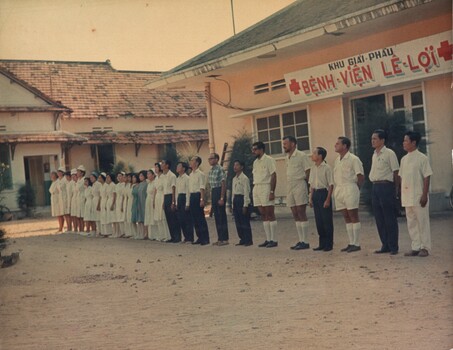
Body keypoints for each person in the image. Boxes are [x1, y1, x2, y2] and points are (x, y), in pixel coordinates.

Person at [399, 131, 433, 257]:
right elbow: (402, 178)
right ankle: (416, 246)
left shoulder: (422, 158)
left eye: (406, 140)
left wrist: (424, 195)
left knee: (422, 222)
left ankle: (425, 247)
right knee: (411, 222)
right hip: (407, 196)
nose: (404, 143)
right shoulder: (403, 159)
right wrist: (401, 193)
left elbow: (427, 176)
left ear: (413, 142)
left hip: (419, 196)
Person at [370, 129, 400, 255]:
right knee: (379, 218)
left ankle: (393, 246)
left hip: (386, 186)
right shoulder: (374, 154)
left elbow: (396, 172)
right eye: (372, 139)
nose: (372, 141)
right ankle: (385, 245)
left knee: (389, 218)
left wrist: (396, 190)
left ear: (382, 140)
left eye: (375, 139)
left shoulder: (389, 153)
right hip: (376, 186)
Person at [333, 137, 364, 253]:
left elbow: (360, 176)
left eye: (338, 143)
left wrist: (356, 189)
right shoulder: (337, 160)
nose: (335, 145)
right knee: (346, 216)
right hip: (340, 189)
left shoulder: (353, 159)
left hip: (350, 187)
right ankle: (351, 242)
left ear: (345, 146)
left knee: (353, 215)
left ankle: (356, 243)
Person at [283, 136, 312, 250]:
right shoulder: (287, 157)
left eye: (286, 143)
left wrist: (309, 187)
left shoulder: (301, 155)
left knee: (301, 211)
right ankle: (300, 240)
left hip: (300, 184)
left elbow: (308, 171)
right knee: (294, 212)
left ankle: (305, 241)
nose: (284, 145)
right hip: (290, 185)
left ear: (293, 144)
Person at [252, 141, 278, 248]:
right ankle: (268, 239)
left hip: (266, 187)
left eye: (255, 149)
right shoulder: (255, 162)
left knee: (270, 213)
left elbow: (273, 175)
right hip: (257, 187)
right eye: (253, 149)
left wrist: (272, 191)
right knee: (262, 213)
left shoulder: (269, 160)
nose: (253, 151)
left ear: (261, 149)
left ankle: (274, 239)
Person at [308, 147, 334, 252]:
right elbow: (312, 185)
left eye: (314, 153)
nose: (312, 155)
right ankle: (321, 243)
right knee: (319, 221)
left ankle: (329, 244)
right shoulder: (313, 168)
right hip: (316, 194)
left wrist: (328, 199)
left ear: (320, 156)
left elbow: (331, 185)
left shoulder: (327, 168)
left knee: (326, 220)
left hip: (324, 193)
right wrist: (310, 198)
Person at [208, 153, 229, 246]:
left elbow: (223, 183)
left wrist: (222, 197)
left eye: (212, 158)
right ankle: (220, 238)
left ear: (216, 159)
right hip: (214, 192)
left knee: (222, 216)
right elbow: (211, 185)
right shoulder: (211, 171)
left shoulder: (220, 169)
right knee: (217, 216)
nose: (210, 160)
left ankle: (225, 239)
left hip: (219, 191)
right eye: (209, 159)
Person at [189, 156, 210, 245]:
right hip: (192, 195)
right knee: (194, 218)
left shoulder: (200, 174)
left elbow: (202, 187)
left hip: (198, 195)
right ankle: (199, 237)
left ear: (197, 163)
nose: (190, 162)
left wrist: (202, 199)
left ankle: (205, 238)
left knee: (200, 218)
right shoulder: (191, 174)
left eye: (192, 160)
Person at [231, 160, 253, 246]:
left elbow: (247, 192)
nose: (235, 167)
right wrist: (232, 204)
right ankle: (242, 239)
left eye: (237, 165)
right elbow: (233, 192)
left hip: (242, 199)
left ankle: (248, 240)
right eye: (234, 165)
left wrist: (245, 205)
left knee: (244, 221)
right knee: (238, 221)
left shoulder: (244, 178)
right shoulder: (234, 179)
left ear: (241, 167)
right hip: (236, 199)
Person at [161, 159, 181, 243]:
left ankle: (177, 237)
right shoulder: (163, 176)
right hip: (165, 196)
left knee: (173, 218)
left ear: (167, 165)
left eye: (163, 163)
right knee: (168, 218)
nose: (161, 165)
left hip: (170, 196)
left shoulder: (172, 175)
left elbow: (173, 189)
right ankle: (172, 236)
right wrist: (163, 202)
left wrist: (173, 202)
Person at [175, 162, 194, 243]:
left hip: (184, 197)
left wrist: (187, 203)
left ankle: (190, 238)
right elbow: (176, 191)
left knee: (187, 219)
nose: (177, 167)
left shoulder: (187, 178)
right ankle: (186, 237)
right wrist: (176, 202)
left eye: (179, 166)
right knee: (181, 219)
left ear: (183, 168)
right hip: (179, 198)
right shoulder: (177, 178)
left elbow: (188, 191)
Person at [153, 163, 171, 241]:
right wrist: (153, 200)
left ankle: (167, 236)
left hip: (162, 196)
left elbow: (164, 189)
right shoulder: (156, 178)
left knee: (163, 217)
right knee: (158, 218)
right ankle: (161, 235)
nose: (156, 169)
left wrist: (164, 201)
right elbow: (155, 190)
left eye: (157, 167)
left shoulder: (164, 177)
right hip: (157, 197)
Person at [144, 169, 158, 240]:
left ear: (153, 175)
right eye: (147, 174)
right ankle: (150, 234)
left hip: (152, 199)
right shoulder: (149, 183)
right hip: (148, 200)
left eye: (149, 174)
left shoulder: (155, 182)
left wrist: (154, 201)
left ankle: (155, 234)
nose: (148, 175)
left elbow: (155, 192)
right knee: (149, 216)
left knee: (153, 216)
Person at [136, 170, 148, 239]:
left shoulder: (146, 184)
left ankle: (146, 233)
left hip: (144, 202)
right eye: (139, 176)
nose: (140, 177)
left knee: (144, 217)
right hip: (139, 202)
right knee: (140, 218)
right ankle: (141, 233)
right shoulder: (140, 184)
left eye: (141, 176)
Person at [124, 173, 136, 238]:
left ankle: (134, 233)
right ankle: (130, 233)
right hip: (128, 201)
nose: (128, 178)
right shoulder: (128, 185)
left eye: (129, 177)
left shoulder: (134, 185)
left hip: (132, 201)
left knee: (132, 217)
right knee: (128, 217)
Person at [105, 173, 117, 238]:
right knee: (110, 217)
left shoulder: (113, 185)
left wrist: (113, 204)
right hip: (109, 201)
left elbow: (114, 195)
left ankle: (115, 232)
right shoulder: (108, 185)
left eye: (108, 177)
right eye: (106, 178)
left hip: (112, 201)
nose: (107, 179)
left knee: (113, 218)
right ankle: (113, 232)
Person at [56, 167, 68, 231]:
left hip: (64, 197)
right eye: (58, 172)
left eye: (60, 172)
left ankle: (69, 227)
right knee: (60, 213)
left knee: (66, 213)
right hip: (59, 198)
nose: (58, 173)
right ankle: (61, 227)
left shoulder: (65, 179)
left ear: (63, 173)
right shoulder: (57, 180)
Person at [115, 172, 126, 238]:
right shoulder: (117, 185)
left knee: (123, 216)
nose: (119, 177)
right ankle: (121, 232)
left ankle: (125, 232)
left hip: (123, 199)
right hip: (118, 200)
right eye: (118, 176)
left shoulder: (124, 184)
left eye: (120, 176)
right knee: (118, 216)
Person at [76, 165, 87, 233]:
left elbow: (86, 189)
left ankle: (83, 229)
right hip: (78, 197)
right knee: (79, 215)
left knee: (82, 215)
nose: (77, 173)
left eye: (78, 171)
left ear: (82, 173)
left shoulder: (84, 180)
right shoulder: (78, 180)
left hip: (83, 197)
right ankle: (80, 229)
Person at [90, 172, 101, 236]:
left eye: (92, 177)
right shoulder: (93, 185)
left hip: (97, 200)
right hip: (93, 200)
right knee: (95, 217)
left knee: (98, 216)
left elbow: (100, 195)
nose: (91, 179)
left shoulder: (98, 184)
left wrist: (99, 204)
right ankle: (97, 231)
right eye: (90, 178)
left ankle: (100, 231)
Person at [70, 168, 80, 233]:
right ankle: (75, 228)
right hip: (73, 199)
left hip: (78, 199)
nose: (73, 178)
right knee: (73, 214)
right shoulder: (72, 183)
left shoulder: (79, 182)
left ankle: (80, 228)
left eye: (74, 176)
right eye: (72, 177)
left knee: (78, 215)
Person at [130, 173, 140, 239]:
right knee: (133, 219)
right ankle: (135, 233)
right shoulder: (133, 186)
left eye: (134, 177)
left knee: (138, 219)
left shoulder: (140, 185)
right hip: (134, 202)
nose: (133, 179)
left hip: (138, 202)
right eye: (132, 178)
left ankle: (139, 233)